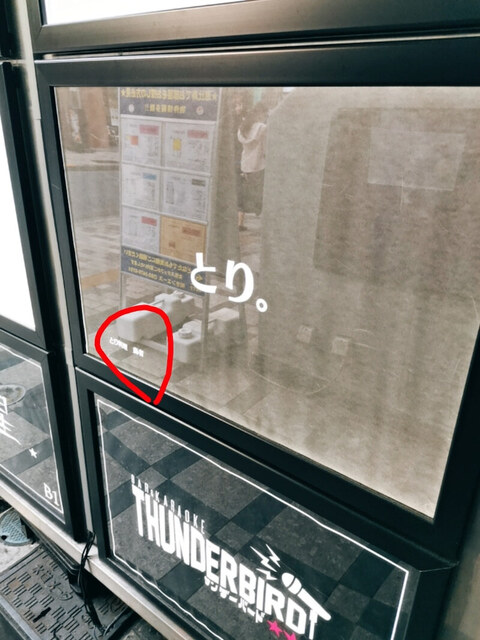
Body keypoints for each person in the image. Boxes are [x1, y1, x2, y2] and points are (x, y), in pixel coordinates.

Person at [237, 102, 268, 230]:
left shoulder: (243, 127)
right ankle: (264, 225)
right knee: (261, 196)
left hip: (245, 165)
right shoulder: (262, 128)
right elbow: (266, 148)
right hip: (259, 165)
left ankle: (240, 223)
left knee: (244, 196)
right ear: (261, 113)